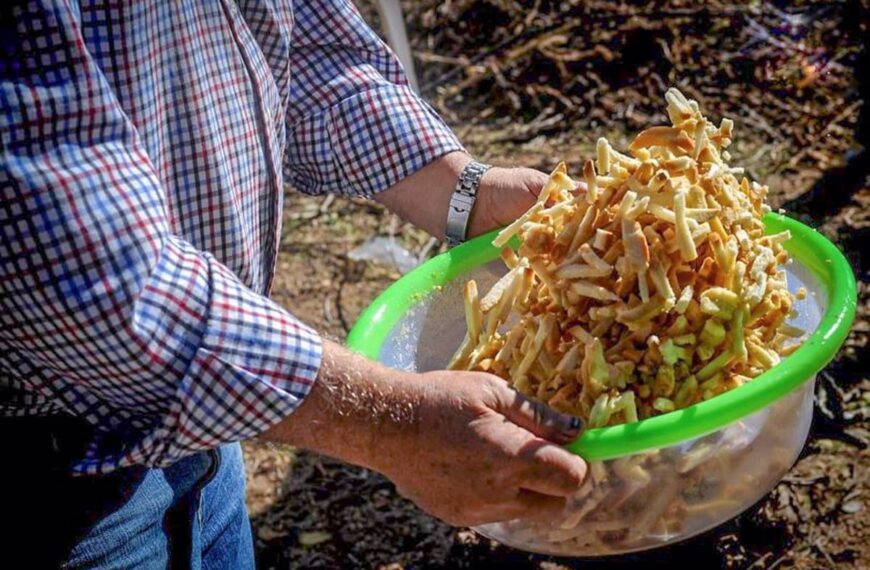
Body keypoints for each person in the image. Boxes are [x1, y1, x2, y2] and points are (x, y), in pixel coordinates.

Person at [0, 1, 588, 567]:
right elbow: (71, 268)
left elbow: (305, 51)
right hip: (54, 489)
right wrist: (393, 424)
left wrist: (467, 194)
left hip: (206, 423)